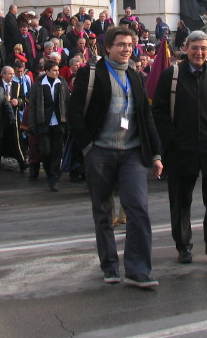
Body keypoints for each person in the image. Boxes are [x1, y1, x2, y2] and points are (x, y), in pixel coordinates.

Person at [69, 25, 165, 287]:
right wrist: (88, 147)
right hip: (100, 151)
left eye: (130, 45)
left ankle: (138, 269)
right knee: (103, 210)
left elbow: (146, 117)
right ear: (108, 47)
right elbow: (75, 113)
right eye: (121, 44)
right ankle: (110, 265)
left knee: (138, 209)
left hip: (132, 153)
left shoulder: (135, 75)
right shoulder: (91, 73)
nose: (126, 49)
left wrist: (155, 154)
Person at [152, 30, 207, 266]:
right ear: (186, 49)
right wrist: (172, 141)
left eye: (203, 48)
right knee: (180, 200)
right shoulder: (171, 75)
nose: (199, 52)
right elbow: (158, 111)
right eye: (194, 47)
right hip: (181, 150)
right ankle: (183, 245)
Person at [27, 59, 69, 191]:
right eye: (54, 70)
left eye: (58, 70)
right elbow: (33, 105)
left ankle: (54, 178)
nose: (57, 72)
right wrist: (32, 124)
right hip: (44, 122)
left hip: (58, 122)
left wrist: (67, 122)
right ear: (47, 71)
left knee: (57, 151)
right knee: (45, 150)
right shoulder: (39, 84)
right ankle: (49, 172)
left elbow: (66, 102)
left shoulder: (62, 83)